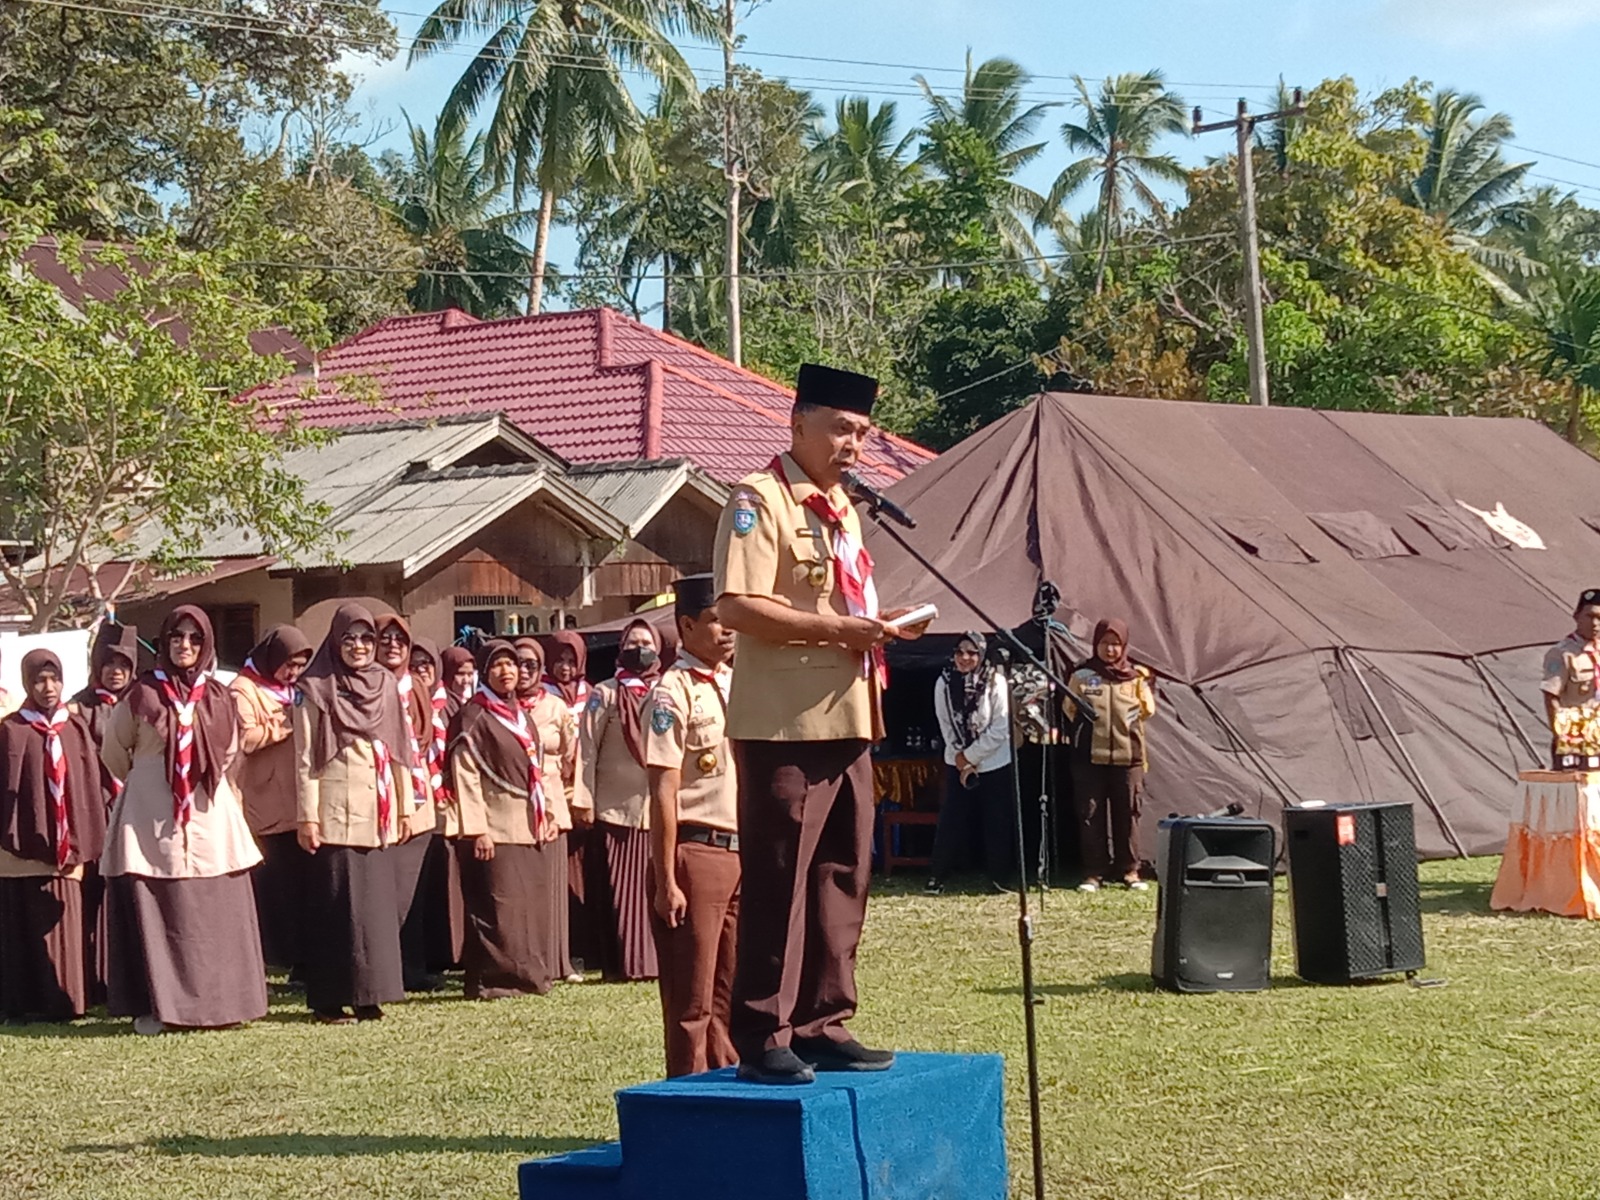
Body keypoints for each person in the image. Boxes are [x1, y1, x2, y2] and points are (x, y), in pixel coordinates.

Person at [713, 362, 924, 1084]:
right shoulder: (758, 500)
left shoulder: (846, 509)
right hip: (783, 727)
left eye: (862, 433)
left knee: (843, 874)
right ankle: (764, 1031)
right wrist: (840, 633)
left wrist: (877, 626)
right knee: (780, 880)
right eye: (840, 429)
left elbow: (838, 605)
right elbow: (735, 606)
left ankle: (822, 1021)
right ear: (796, 423)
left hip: (849, 718)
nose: (852, 445)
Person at [101, 606, 266, 1034]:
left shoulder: (219, 697)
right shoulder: (140, 695)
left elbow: (230, 754)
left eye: (194, 638)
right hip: (150, 819)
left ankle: (222, 1006)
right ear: (164, 642)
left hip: (210, 817)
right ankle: (159, 1007)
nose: (185, 645)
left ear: (206, 644)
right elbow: (115, 753)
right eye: (177, 636)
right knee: (159, 911)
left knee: (214, 914)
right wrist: (152, 783)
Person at [293, 602, 416, 1023]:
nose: (360, 647)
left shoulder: (384, 683)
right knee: (336, 911)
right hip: (335, 814)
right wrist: (308, 817)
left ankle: (370, 996)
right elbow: (305, 757)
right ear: (335, 641)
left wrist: (404, 809)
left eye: (367, 639)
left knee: (375, 911)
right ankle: (329, 1000)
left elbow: (400, 748)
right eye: (350, 638)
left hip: (379, 811)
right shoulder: (315, 686)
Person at [645, 575, 740, 1077]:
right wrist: (666, 879)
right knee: (692, 998)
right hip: (697, 850)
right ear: (686, 625)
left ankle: (728, 1091)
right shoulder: (671, 693)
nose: (728, 631)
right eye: (716, 621)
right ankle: (688, 1095)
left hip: (740, 850)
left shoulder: (736, 681)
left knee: (731, 995)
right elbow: (663, 789)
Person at [444, 639, 565, 998]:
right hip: (494, 827)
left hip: (529, 824)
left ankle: (529, 976)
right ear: (485, 672)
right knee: (499, 906)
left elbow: (537, 770)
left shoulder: (521, 714)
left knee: (529, 905)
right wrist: (478, 830)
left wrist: (551, 813)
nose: (507, 672)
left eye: (511, 664)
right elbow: (464, 775)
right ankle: (493, 980)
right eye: (497, 665)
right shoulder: (473, 717)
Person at [0, 650, 106, 1021]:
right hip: (18, 854)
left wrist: (84, 835)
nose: (48, 688)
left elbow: (88, 785)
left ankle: (67, 1001)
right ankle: (22, 1002)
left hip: (65, 850)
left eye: (54, 679)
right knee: (22, 927)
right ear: (27, 683)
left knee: (64, 927)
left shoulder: (74, 728)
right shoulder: (11, 729)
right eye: (40, 680)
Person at [574, 619, 666, 982]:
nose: (640, 648)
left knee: (657, 885)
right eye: (633, 642)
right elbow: (586, 747)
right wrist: (584, 798)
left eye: (646, 642)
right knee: (625, 890)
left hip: (660, 807)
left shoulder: (667, 690)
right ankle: (630, 963)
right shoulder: (605, 693)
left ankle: (658, 961)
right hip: (617, 807)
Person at [229, 624, 314, 971]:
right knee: (275, 885)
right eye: (287, 664)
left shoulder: (295, 690)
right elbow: (245, 738)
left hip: (295, 799)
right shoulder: (243, 689)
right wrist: (286, 724)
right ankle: (278, 957)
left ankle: (300, 958)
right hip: (262, 798)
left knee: (301, 886)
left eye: (298, 665)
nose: (292, 672)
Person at [1062, 618, 1156, 893]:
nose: (1110, 650)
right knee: (1090, 814)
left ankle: (1129, 870)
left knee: (1128, 813)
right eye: (1105, 643)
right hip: (1089, 758)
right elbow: (1069, 708)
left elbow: (1148, 710)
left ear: (1124, 646)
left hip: (1129, 759)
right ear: (1095, 644)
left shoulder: (1137, 676)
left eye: (1116, 644)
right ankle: (1094, 872)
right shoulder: (1082, 675)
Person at [375, 613, 443, 992]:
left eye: (400, 640)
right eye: (385, 639)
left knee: (413, 891)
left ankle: (413, 968)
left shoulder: (416, 685)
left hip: (419, 798)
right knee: (387, 892)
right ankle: (388, 972)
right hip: (382, 798)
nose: (393, 647)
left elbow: (426, 736)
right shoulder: (366, 684)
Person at [926, 632, 1016, 894]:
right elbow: (945, 724)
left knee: (997, 820)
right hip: (957, 760)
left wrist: (972, 756)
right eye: (960, 652)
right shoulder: (944, 682)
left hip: (994, 761)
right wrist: (960, 759)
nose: (965, 658)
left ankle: (999, 877)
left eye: (972, 652)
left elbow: (1001, 727)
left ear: (982, 655)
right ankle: (938, 875)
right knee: (951, 818)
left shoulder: (996, 682)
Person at [515, 636, 581, 984]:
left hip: (552, 802)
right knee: (524, 886)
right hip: (515, 805)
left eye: (531, 665)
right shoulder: (502, 706)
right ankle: (527, 959)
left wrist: (565, 798)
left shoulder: (556, 707)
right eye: (518, 663)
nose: (524, 671)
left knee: (552, 886)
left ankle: (558, 962)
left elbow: (571, 755)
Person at [1542, 588, 1600, 767]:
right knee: (1579, 791)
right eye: (1590, 616)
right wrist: (1563, 737)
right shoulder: (1562, 653)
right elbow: (1551, 696)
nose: (1596, 623)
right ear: (1576, 616)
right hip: (1576, 733)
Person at [68, 621, 141, 751]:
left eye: (124, 665)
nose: (116, 671)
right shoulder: (76, 708)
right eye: (109, 663)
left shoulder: (143, 704)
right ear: (98, 664)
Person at [441, 646, 476, 712]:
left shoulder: (472, 700)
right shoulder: (440, 703)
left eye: (470, 674)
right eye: (460, 674)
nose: (466, 680)